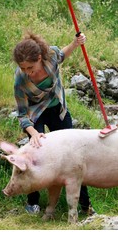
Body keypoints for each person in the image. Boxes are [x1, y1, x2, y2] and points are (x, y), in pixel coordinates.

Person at [13, 31, 95, 215]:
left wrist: (76, 43)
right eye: (23, 68)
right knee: (35, 155)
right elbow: (22, 113)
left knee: (74, 156)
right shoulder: (20, 78)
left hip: (57, 109)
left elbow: (62, 54)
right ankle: (32, 202)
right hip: (35, 116)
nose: (27, 71)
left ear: (40, 58)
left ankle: (85, 206)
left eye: (30, 67)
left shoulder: (51, 56)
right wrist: (34, 134)